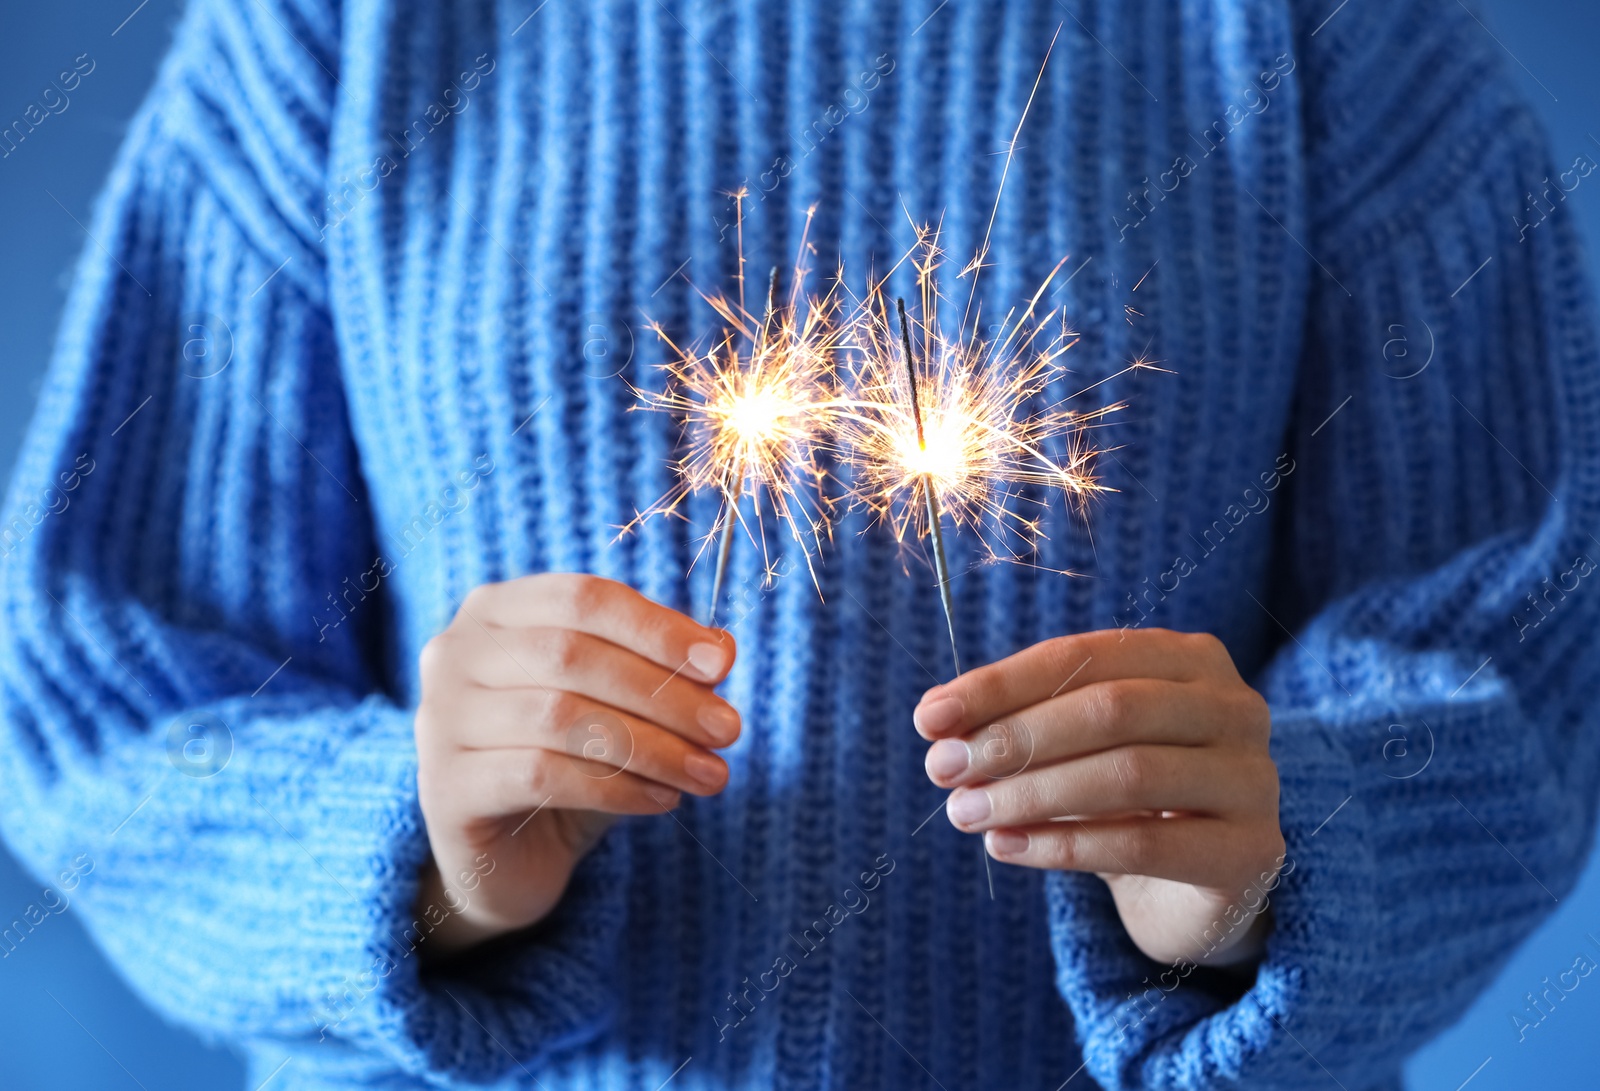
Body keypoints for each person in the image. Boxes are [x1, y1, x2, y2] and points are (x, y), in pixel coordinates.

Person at [2, 0, 1596, 1087]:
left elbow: (1521, 641)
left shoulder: (1328, 31)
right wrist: (415, 857)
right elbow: (107, 692)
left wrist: (1264, 871)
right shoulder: (333, 33)